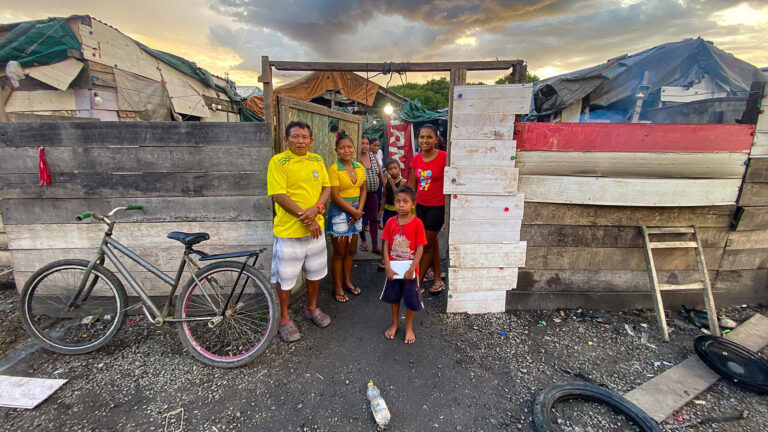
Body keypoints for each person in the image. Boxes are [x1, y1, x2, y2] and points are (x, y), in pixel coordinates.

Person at [267, 120, 332, 343]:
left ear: (311, 141)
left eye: (304, 137)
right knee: (285, 279)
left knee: (315, 273)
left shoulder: (317, 160)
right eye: (295, 136)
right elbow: (279, 195)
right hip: (289, 233)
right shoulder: (278, 161)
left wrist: (318, 208)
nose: (300, 141)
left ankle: (312, 308)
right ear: (286, 139)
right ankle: (283, 318)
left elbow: (327, 187)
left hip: (315, 231)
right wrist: (308, 218)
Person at [381, 185, 426, 344]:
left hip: (410, 271)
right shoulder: (390, 222)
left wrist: (412, 269)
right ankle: (395, 324)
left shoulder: (417, 223)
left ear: (413, 204)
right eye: (398, 201)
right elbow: (386, 245)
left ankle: (408, 326)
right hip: (394, 270)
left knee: (410, 299)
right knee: (394, 298)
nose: (400, 205)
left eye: (405, 201)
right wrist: (387, 266)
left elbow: (420, 248)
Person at [328, 132, 367, 302]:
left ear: (354, 148)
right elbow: (335, 196)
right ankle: (337, 286)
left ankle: (347, 281)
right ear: (336, 150)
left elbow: (363, 190)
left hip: (357, 211)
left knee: (350, 251)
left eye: (349, 147)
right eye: (342, 148)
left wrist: (359, 210)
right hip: (339, 212)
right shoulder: (333, 169)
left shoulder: (359, 167)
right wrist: (354, 212)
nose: (346, 150)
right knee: (339, 252)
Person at [409, 124, 447, 293]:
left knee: (425, 246)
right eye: (422, 137)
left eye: (429, 137)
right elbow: (413, 185)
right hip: (420, 207)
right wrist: (409, 207)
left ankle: (417, 284)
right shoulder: (416, 159)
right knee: (432, 243)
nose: (425, 140)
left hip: (437, 207)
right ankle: (437, 278)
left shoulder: (444, 157)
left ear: (436, 139)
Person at [358, 135, 385, 254]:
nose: (365, 146)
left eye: (366, 143)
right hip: (359, 196)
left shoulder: (373, 156)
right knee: (359, 219)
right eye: (362, 143)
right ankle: (363, 241)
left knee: (374, 219)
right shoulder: (356, 158)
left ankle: (375, 245)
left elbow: (380, 173)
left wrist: (385, 187)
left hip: (372, 194)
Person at [377, 160, 406, 270]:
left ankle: (398, 258)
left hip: (398, 212)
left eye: (395, 168)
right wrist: (380, 211)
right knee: (386, 235)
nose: (393, 171)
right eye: (390, 169)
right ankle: (384, 258)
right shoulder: (386, 182)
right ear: (387, 171)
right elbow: (384, 196)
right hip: (388, 211)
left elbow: (398, 195)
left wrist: (392, 184)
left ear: (399, 169)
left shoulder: (402, 181)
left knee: (399, 234)